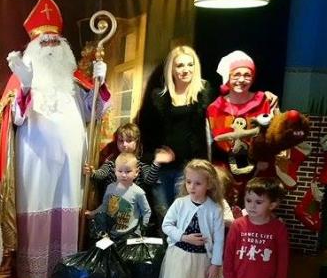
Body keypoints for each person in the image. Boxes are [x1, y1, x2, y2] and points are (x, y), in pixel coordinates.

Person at [0, 0, 110, 278]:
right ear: (32, 47)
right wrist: (25, 86)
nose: (50, 47)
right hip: (35, 163)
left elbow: (96, 111)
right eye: (43, 42)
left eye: (54, 42)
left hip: (71, 165)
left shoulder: (75, 80)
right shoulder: (22, 79)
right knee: (37, 204)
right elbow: (15, 118)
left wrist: (100, 82)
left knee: (68, 207)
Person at [136, 45, 211, 218]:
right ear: (172, 68)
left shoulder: (204, 94)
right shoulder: (158, 97)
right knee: (164, 219)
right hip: (162, 170)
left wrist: (266, 95)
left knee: (184, 219)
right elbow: (146, 132)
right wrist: (154, 157)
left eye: (190, 64)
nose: (185, 70)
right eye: (180, 65)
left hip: (190, 171)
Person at [158, 159, 225, 278]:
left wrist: (216, 263)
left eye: (198, 183)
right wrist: (184, 237)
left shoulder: (215, 209)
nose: (192, 187)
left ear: (209, 184)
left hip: (202, 259)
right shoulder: (180, 203)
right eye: (188, 182)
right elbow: (166, 225)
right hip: (180, 256)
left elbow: (219, 239)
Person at [206, 50, 279, 191]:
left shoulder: (265, 101)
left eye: (247, 75)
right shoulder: (215, 108)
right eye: (236, 75)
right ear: (228, 77)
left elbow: (275, 136)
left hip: (260, 171)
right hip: (226, 172)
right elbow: (214, 143)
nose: (241, 80)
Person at [83, 122, 171, 191]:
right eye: (121, 141)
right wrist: (92, 172)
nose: (124, 144)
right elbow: (101, 174)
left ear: (136, 142)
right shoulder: (112, 162)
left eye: (129, 141)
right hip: (113, 204)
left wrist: (156, 162)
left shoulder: (141, 164)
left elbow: (149, 181)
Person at [85, 152, 151, 239]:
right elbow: (105, 206)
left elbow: (146, 211)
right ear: (115, 171)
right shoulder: (110, 188)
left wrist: (139, 231)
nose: (123, 175)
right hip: (110, 233)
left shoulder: (138, 192)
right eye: (120, 171)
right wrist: (93, 213)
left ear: (136, 172)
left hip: (130, 235)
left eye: (128, 171)